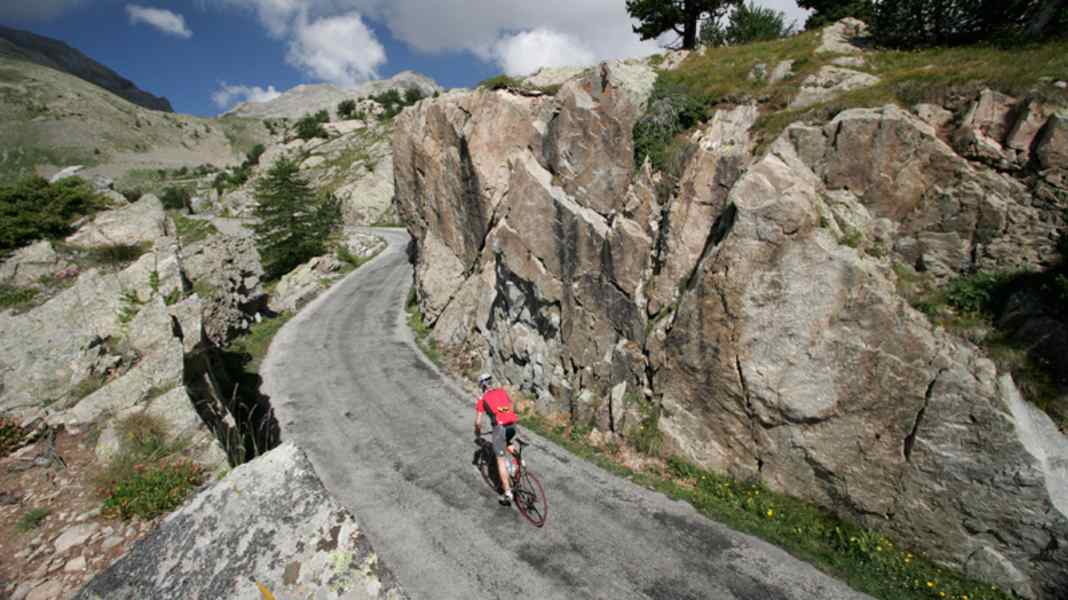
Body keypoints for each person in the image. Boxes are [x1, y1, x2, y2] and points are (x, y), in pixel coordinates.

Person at [473, 373, 518, 505]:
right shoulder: (501, 391)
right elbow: (510, 407)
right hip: (512, 425)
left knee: (500, 459)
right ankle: (520, 464)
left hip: (500, 428)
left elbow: (478, 422)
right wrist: (502, 413)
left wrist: (477, 433)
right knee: (508, 442)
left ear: (481, 386)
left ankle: (508, 493)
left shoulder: (483, 399)